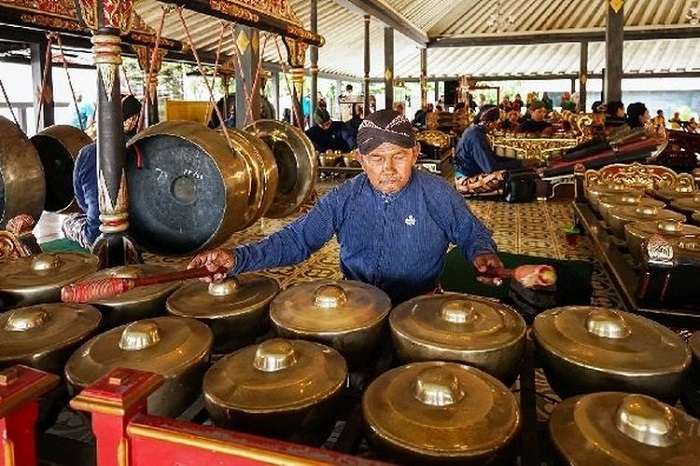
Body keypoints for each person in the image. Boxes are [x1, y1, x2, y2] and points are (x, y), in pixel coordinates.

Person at [188, 109, 504, 304]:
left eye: (399, 156)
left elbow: (471, 233)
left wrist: (483, 254)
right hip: (356, 306)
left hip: (419, 307)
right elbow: (298, 240)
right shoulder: (344, 197)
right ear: (360, 160)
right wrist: (236, 258)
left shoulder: (438, 193)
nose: (388, 168)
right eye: (377, 159)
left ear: (416, 153)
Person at [62, 95, 142, 249]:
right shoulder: (144, 148)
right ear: (134, 119)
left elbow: (81, 199)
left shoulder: (87, 152)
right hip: (142, 234)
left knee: (69, 221)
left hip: (98, 237)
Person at [454, 105, 536, 196]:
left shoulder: (477, 131)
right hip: (465, 181)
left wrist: (518, 161)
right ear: (490, 123)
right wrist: (519, 163)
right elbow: (490, 168)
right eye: (497, 121)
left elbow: (493, 158)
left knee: (518, 170)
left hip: (475, 174)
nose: (498, 124)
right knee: (504, 175)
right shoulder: (475, 136)